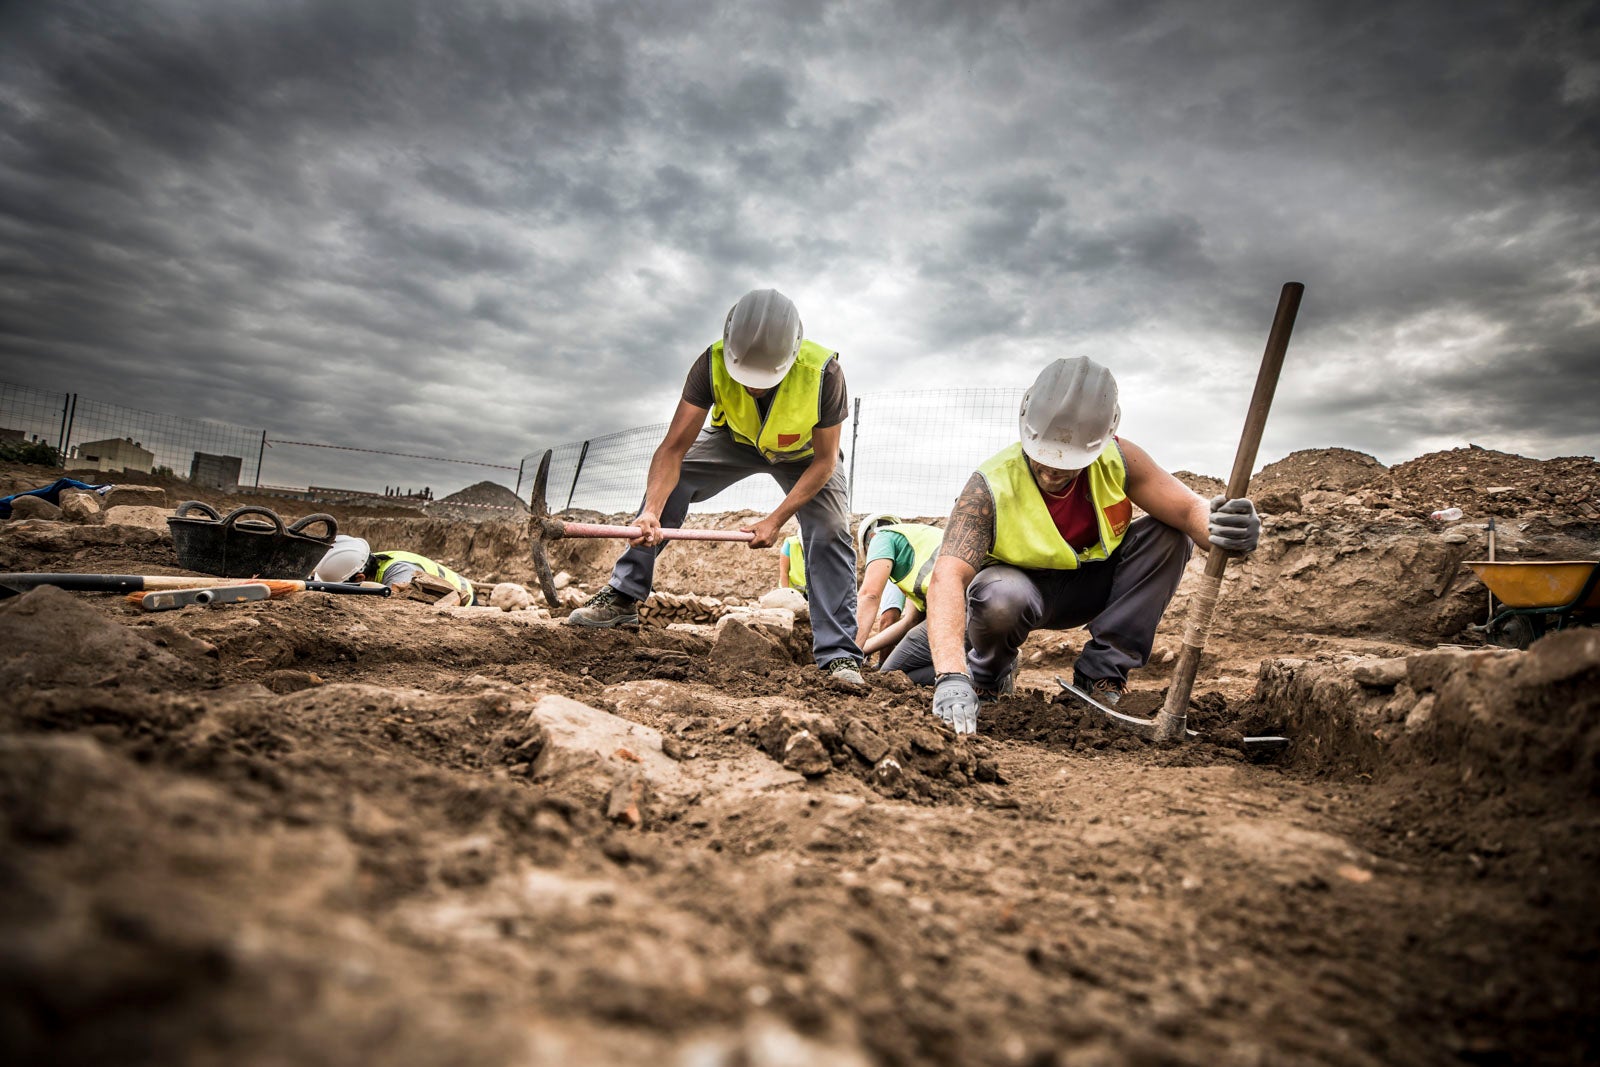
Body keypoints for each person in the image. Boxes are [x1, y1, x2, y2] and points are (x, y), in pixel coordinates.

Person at [883, 357, 1262, 735]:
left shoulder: (1120, 458)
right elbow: (947, 577)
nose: (1052, 471)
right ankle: (987, 678)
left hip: (1090, 587)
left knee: (1168, 536)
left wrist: (1218, 525)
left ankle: (1100, 679)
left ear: (1102, 440)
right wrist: (951, 676)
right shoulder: (990, 486)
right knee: (991, 601)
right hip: (1013, 598)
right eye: (1043, 457)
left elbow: (1187, 510)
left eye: (1068, 463)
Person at [566, 288, 868, 686]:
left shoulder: (823, 373)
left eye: (766, 379)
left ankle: (838, 657)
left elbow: (827, 461)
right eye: (747, 377)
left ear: (791, 354)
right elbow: (673, 448)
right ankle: (623, 595)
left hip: (804, 456)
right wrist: (651, 510)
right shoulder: (710, 364)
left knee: (830, 530)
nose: (755, 388)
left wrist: (775, 520)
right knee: (674, 480)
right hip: (737, 441)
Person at [853, 512, 941, 664]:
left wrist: (850, 653)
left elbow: (870, 595)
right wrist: (863, 649)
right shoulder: (916, 550)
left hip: (955, 616)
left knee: (892, 670)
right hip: (973, 612)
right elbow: (911, 621)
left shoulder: (880, 537)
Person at [312, 535, 478, 605]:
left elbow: (404, 608)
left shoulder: (401, 575)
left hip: (465, 600)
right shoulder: (362, 561)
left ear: (359, 578)